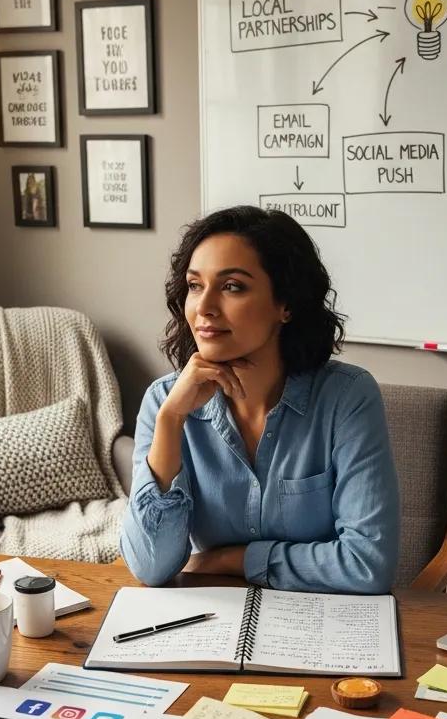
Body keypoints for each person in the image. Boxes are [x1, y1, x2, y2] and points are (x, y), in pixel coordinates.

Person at [119, 205, 400, 593]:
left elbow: (368, 566)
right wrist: (170, 422)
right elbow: (151, 567)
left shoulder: (348, 398)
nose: (204, 308)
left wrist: (235, 559)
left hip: (323, 630)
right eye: (195, 285)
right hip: (211, 627)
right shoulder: (164, 402)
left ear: (285, 304)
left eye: (232, 286)